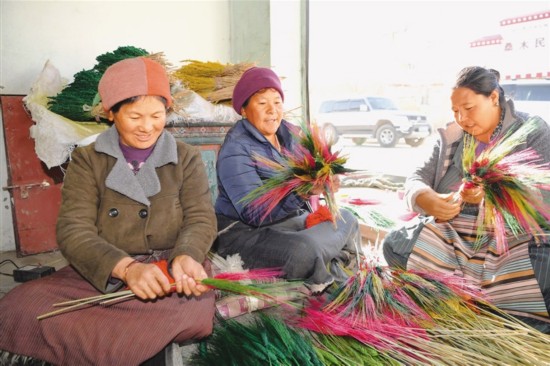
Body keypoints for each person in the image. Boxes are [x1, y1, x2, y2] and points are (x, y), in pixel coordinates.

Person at [0, 57, 218, 365]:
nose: (147, 127)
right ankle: (148, 345)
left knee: (189, 302)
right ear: (110, 113)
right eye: (134, 116)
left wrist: (186, 256)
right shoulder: (89, 160)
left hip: (171, 269)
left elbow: (200, 217)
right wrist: (126, 269)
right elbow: (73, 230)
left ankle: (132, 342)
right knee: (18, 306)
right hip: (107, 268)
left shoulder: (186, 157)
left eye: (157, 115)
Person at [382, 66, 550, 333]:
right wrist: (426, 198)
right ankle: (491, 303)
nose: (462, 118)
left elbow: (544, 197)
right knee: (395, 244)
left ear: (493, 97)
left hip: (510, 240)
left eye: (469, 108)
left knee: (545, 267)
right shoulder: (451, 137)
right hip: (455, 238)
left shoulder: (532, 130)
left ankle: (468, 296)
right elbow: (416, 178)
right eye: (455, 111)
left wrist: (493, 194)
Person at [213, 67, 362, 294]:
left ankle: (334, 265)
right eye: (262, 103)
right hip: (246, 233)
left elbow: (312, 171)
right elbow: (255, 213)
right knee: (305, 251)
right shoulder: (235, 149)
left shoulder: (289, 134)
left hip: (290, 223)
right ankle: (329, 259)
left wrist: (325, 178)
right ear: (244, 109)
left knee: (347, 219)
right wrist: (302, 191)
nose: (272, 111)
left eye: (277, 102)